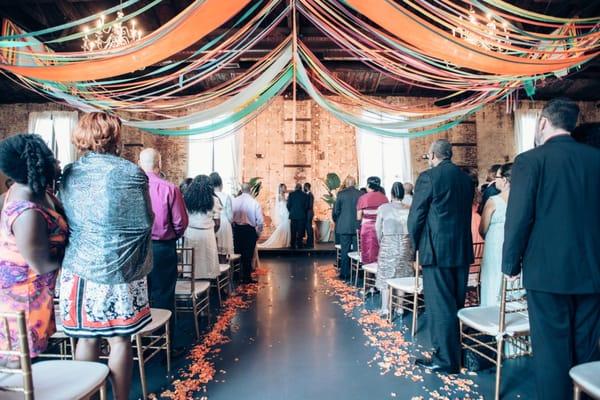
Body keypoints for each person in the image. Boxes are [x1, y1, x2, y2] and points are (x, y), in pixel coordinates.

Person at [502, 98, 600, 400]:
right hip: (593, 271)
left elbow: (518, 218)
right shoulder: (596, 159)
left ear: (543, 122)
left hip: (546, 274)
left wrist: (510, 266)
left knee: (551, 351)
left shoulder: (530, 161)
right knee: (586, 347)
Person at [59, 112, 153, 400]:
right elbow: (145, 221)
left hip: (79, 269)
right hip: (123, 270)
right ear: (115, 136)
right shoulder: (132, 173)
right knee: (120, 340)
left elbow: (65, 217)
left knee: (86, 338)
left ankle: (83, 397)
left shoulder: (69, 173)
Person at [408, 139, 474, 374]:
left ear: (433, 155)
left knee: (440, 307)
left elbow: (416, 216)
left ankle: (446, 360)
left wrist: (414, 248)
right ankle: (455, 354)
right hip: (462, 250)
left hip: (436, 251)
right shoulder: (467, 180)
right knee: (455, 303)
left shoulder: (429, 177)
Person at [0, 134, 67, 363]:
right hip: (24, 295)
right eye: (51, 157)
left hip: (39, 292)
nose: (56, 162)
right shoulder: (26, 211)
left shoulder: (39, 192)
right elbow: (41, 264)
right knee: (21, 363)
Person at [138, 148, 188, 326]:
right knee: (163, 294)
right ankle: (164, 341)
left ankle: (140, 341)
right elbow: (180, 222)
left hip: (136, 248)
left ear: (139, 164)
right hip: (162, 248)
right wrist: (173, 235)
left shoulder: (132, 188)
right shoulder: (170, 188)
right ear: (159, 164)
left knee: (138, 295)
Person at [375, 182, 414, 316]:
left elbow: (377, 228)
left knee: (386, 274)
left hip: (388, 243)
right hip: (405, 243)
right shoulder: (409, 208)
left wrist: (381, 241)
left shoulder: (383, 208)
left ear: (391, 194)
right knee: (401, 273)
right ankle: (400, 307)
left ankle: (385, 308)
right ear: (403, 194)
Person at [478, 163, 511, 307]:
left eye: (497, 177)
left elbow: (482, 228)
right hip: (512, 244)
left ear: (504, 180)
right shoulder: (521, 200)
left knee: (493, 277)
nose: (495, 181)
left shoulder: (493, 201)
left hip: (495, 245)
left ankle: (491, 314)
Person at [183, 175, 221, 279]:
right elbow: (217, 223)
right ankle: (209, 286)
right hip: (207, 233)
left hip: (190, 233)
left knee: (191, 262)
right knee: (208, 263)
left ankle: (191, 284)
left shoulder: (186, 199)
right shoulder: (214, 200)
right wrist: (213, 232)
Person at [232, 183, 264, 283]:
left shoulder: (234, 201)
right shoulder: (254, 202)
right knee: (248, 255)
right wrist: (258, 233)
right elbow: (260, 221)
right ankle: (246, 277)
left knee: (237, 253)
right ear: (250, 190)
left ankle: (236, 276)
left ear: (241, 189)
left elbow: (230, 216)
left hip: (237, 230)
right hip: (249, 230)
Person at [333, 176, 362, 280]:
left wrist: (339, 220)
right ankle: (358, 274)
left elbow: (336, 211)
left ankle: (344, 274)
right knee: (357, 251)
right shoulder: (361, 194)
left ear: (346, 183)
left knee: (345, 250)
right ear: (354, 183)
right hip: (357, 226)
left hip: (344, 226)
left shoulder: (341, 194)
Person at [356, 176, 388, 265]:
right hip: (381, 228)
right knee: (379, 249)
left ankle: (368, 272)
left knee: (367, 250)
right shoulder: (384, 198)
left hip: (367, 228)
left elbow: (358, 217)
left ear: (369, 185)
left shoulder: (363, 198)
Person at [258, 183, 291, 249]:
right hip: (283, 212)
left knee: (286, 226)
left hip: (285, 211)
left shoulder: (283, 195)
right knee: (285, 225)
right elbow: (283, 203)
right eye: (284, 187)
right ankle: (282, 240)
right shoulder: (279, 195)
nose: (285, 189)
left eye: (285, 187)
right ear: (281, 188)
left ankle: (285, 241)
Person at [210, 172, 235, 256]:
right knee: (226, 251)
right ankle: (227, 267)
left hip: (212, 223)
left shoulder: (209, 196)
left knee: (214, 249)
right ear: (221, 184)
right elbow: (230, 216)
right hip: (224, 223)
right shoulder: (226, 196)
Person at [287, 183, 309, 249]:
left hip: (293, 215)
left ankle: (292, 244)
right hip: (302, 215)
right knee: (300, 230)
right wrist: (303, 212)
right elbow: (306, 206)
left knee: (293, 230)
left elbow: (288, 205)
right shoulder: (305, 195)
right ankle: (300, 244)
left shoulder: (291, 194)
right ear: (301, 188)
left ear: (295, 187)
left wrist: (291, 211)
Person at [304, 182, 315, 248]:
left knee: (309, 228)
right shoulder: (308, 194)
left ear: (306, 187)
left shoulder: (310, 195)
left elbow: (310, 205)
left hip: (309, 213)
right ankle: (309, 242)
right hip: (308, 213)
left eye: (304, 187)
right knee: (308, 228)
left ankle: (310, 243)